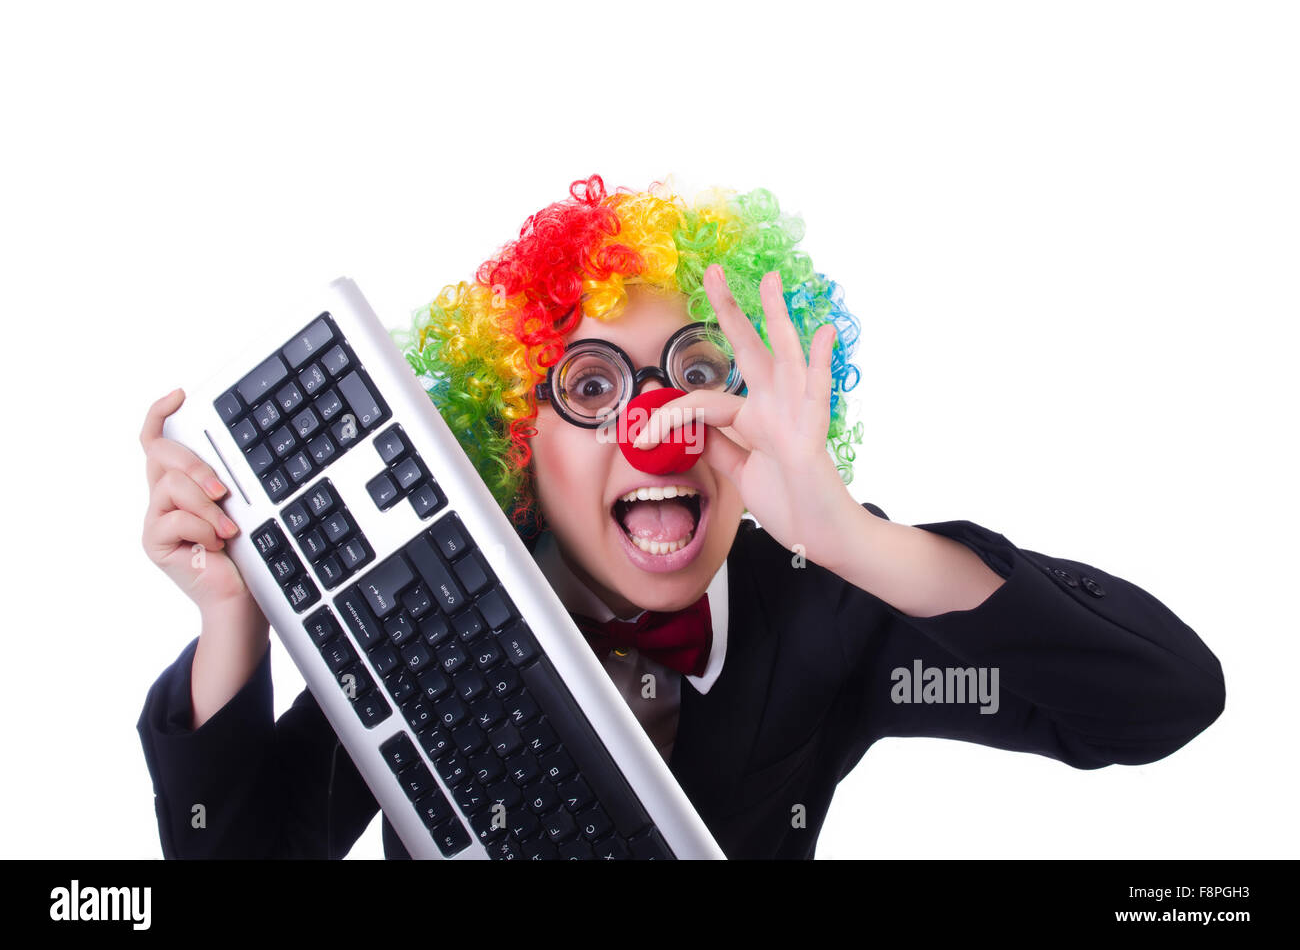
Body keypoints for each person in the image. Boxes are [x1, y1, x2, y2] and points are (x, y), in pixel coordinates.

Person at [137, 174, 1225, 859]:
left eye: (697, 374)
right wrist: (235, 621)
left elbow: (1156, 703)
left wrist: (854, 541)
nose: (658, 423)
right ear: (520, 435)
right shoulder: (432, 587)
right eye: (593, 387)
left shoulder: (822, 615)